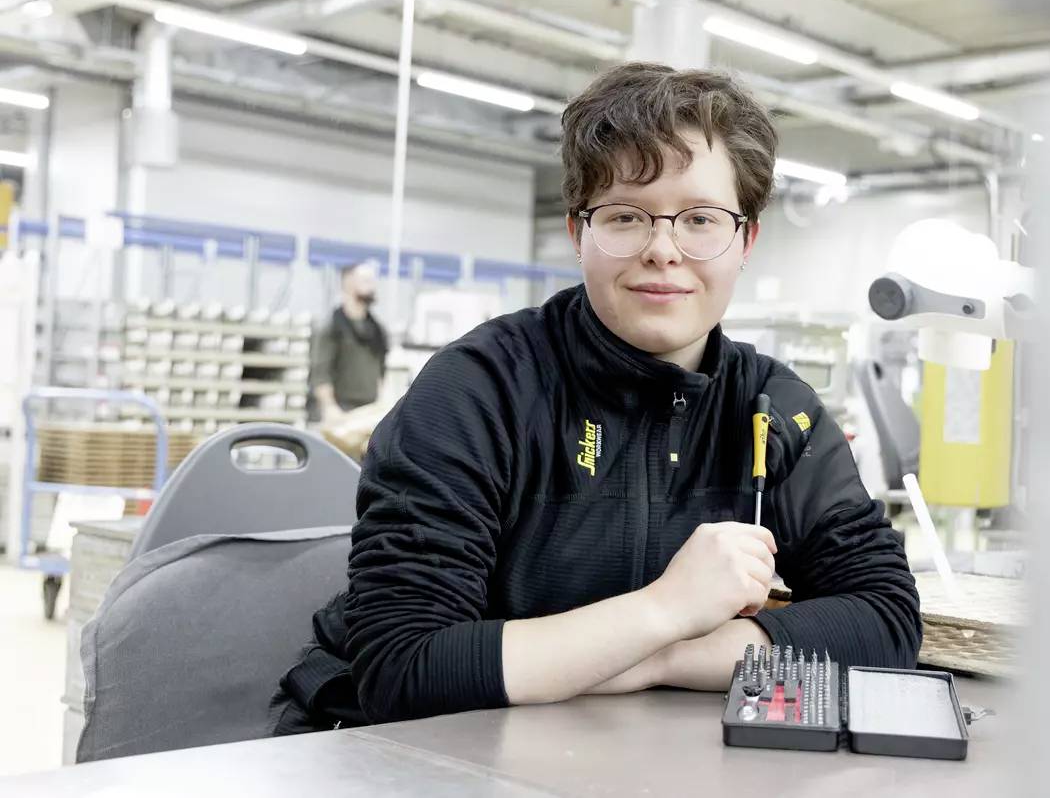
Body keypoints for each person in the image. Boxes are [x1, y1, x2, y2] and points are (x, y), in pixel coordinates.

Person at [271, 62, 920, 733]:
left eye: (700, 218)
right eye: (625, 217)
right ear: (580, 232)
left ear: (745, 239)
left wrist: (660, 656)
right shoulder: (477, 390)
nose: (663, 249)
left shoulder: (773, 408)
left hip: (615, 754)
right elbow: (404, 670)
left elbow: (887, 616)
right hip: (408, 756)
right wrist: (664, 609)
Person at [310, 262, 388, 422]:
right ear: (348, 283)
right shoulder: (331, 327)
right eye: (366, 281)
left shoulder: (377, 330)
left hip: (368, 412)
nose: (372, 286)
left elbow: (381, 371)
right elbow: (320, 373)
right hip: (340, 410)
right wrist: (329, 407)